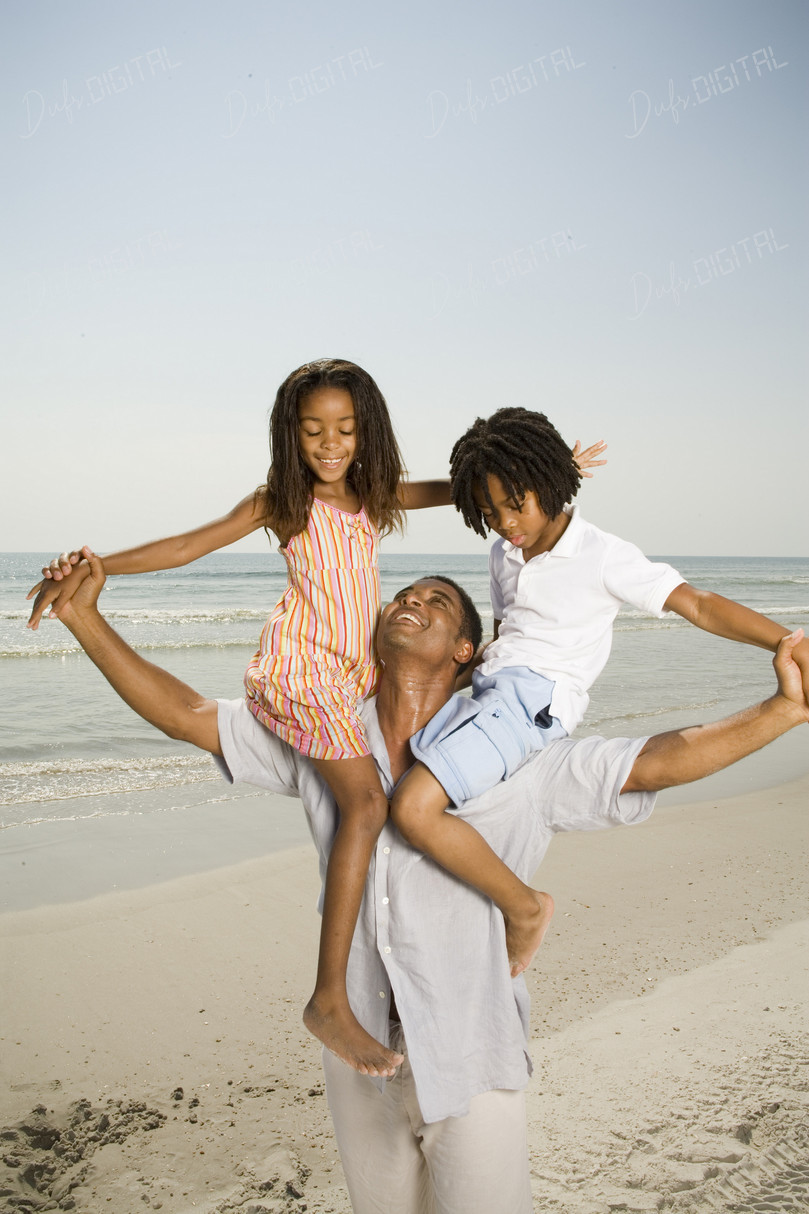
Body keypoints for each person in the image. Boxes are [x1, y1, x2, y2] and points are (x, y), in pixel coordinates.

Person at [41, 548, 808, 1214]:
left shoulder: (514, 753)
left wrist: (783, 710)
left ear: (466, 650)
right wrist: (85, 620)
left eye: (435, 602)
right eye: (403, 596)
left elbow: (651, 762)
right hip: (358, 1050)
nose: (410, 601)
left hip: (471, 1052)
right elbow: (189, 714)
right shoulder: (324, 737)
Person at [26, 363, 606, 1078]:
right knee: (365, 803)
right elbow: (189, 546)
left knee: (369, 800)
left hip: (349, 672)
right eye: (312, 431)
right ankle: (329, 998)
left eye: (345, 430)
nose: (329, 445)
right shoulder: (281, 502)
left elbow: (459, 491)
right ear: (289, 434)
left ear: (366, 432)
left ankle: (347, 991)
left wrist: (540, 472)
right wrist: (97, 565)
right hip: (302, 672)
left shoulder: (373, 494)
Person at [387, 407, 809, 981]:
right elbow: (511, 634)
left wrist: (788, 641)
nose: (506, 523)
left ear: (550, 485)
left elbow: (700, 604)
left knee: (413, 808)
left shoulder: (603, 554)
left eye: (516, 505)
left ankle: (525, 908)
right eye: (488, 513)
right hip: (490, 692)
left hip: (532, 702)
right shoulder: (503, 552)